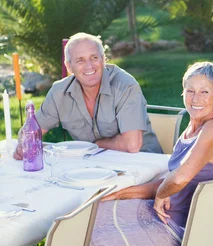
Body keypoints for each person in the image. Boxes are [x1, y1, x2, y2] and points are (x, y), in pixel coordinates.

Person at [82, 61, 213, 246]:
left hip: (185, 236)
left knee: (88, 238)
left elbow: (179, 179)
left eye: (205, 92)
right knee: (91, 215)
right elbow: (168, 180)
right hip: (172, 217)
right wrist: (119, 193)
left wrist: (162, 193)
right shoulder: (193, 129)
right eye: (190, 90)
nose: (196, 98)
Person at [13, 32, 161, 158]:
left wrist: (97, 145)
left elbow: (132, 145)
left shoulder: (126, 86)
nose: (89, 65)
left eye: (94, 58)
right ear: (69, 67)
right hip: (94, 167)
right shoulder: (60, 92)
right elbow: (30, 131)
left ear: (103, 60)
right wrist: (25, 145)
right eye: (80, 60)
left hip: (143, 164)